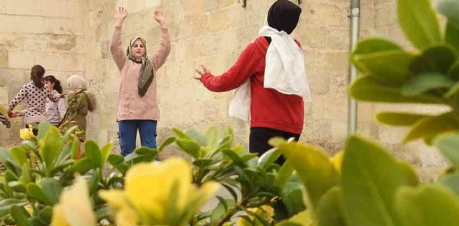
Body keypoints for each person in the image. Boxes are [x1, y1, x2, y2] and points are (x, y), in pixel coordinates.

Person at [195, 0, 310, 157]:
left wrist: (206, 78)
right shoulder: (295, 48)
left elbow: (230, 79)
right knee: (283, 178)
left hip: (266, 127)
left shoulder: (259, 47)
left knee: (262, 177)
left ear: (271, 16)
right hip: (294, 127)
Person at [110, 7, 170, 156]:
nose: (138, 48)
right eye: (135, 45)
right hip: (127, 114)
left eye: (141, 46)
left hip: (147, 115)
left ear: (145, 49)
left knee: (150, 152)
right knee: (127, 152)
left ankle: (153, 180)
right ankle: (127, 179)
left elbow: (165, 49)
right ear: (131, 48)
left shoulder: (152, 64)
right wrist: (119, 23)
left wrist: (163, 26)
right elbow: (114, 47)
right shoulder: (124, 63)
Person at [8, 65, 59, 135]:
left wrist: (9, 111)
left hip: (30, 119)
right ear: (42, 75)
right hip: (42, 120)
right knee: (40, 144)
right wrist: (59, 95)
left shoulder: (27, 87)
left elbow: (16, 100)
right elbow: (55, 99)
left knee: (30, 143)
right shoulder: (46, 88)